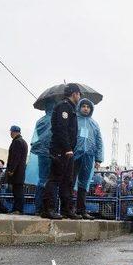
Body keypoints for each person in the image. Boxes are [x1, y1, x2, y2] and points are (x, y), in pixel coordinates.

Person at [42, 83, 81, 220]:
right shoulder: (64, 107)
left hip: (68, 151)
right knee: (55, 178)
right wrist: (67, 148)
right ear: (74, 93)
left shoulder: (71, 108)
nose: (79, 97)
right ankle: (48, 209)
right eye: (79, 94)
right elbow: (61, 129)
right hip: (61, 150)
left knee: (67, 180)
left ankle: (67, 209)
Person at [73, 98, 104, 220]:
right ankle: (69, 209)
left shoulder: (94, 124)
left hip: (89, 156)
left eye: (88, 107)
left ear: (91, 109)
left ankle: (81, 210)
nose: (86, 108)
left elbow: (99, 141)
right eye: (83, 106)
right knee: (71, 181)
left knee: (84, 183)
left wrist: (98, 159)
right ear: (79, 107)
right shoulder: (74, 119)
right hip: (74, 155)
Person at [29, 101, 55, 213]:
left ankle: (38, 207)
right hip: (53, 153)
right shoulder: (56, 120)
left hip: (41, 153)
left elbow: (37, 137)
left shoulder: (40, 121)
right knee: (52, 181)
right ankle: (49, 207)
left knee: (42, 180)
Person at [5, 125, 28, 214]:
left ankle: (18, 209)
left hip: (16, 172)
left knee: (17, 191)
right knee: (18, 190)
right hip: (20, 171)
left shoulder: (17, 142)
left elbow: (15, 157)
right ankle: (17, 209)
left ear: (13, 132)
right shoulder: (23, 142)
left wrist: (11, 170)